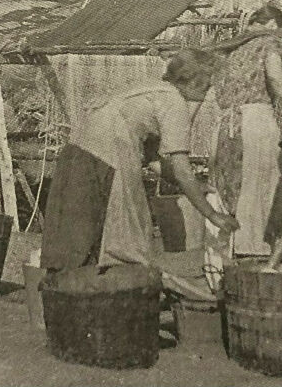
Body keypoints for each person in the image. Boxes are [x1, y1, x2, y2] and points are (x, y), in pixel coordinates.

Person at [41, 48, 240, 273]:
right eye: (207, 84)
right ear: (193, 81)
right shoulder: (174, 103)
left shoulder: (154, 89)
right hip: (110, 151)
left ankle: (76, 282)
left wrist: (197, 187)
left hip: (79, 148)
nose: (208, 90)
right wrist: (213, 215)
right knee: (126, 229)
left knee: (79, 225)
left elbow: (155, 162)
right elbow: (182, 170)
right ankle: (121, 282)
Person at [207, 3, 282, 256]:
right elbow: (276, 79)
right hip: (255, 122)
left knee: (226, 190)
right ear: (273, 25)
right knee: (260, 188)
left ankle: (224, 260)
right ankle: (258, 254)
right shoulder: (269, 42)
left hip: (224, 126)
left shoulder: (227, 49)